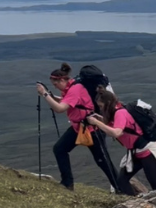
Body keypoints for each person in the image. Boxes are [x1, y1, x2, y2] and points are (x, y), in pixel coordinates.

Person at [86, 89, 156, 208]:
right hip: (136, 151)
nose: (100, 108)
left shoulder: (120, 113)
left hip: (147, 151)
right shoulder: (117, 112)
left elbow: (116, 132)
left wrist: (97, 123)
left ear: (108, 103)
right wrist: (101, 120)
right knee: (122, 180)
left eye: (101, 105)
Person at [35, 63, 118, 191]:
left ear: (62, 79)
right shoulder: (71, 87)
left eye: (56, 84)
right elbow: (66, 101)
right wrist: (51, 96)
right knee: (59, 149)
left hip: (91, 129)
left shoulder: (75, 88)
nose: (56, 87)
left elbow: (60, 108)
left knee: (103, 161)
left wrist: (45, 95)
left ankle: (121, 188)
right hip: (79, 127)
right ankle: (67, 183)